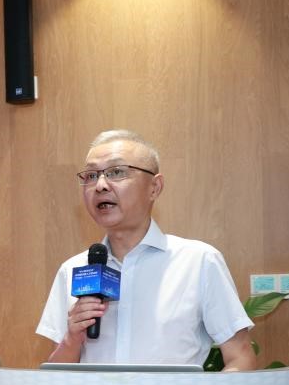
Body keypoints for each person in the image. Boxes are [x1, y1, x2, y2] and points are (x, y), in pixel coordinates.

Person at [37, 130, 256, 371]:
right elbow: (55, 378)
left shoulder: (199, 261)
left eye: (116, 172)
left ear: (154, 187)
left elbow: (240, 357)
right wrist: (72, 339)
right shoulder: (72, 270)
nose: (100, 185)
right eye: (91, 175)